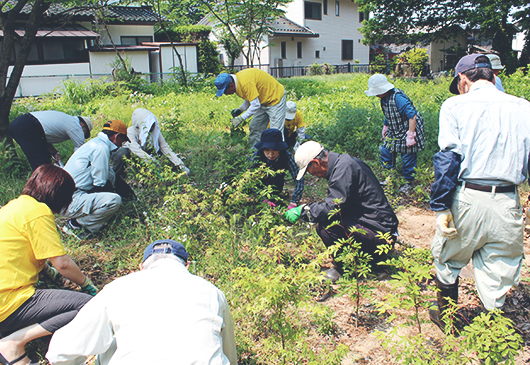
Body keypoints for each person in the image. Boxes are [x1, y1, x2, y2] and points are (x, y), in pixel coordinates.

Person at [429, 54, 530, 331]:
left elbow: (449, 158)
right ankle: (490, 331)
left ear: (463, 79)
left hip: (469, 196)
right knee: (499, 267)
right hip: (509, 200)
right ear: (493, 76)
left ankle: (448, 321)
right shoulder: (524, 107)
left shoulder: (454, 106)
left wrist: (440, 206)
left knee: (447, 257)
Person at [46, 239, 237, 365]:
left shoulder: (119, 287)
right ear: (187, 265)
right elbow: (229, 352)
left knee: (113, 340)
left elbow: (61, 351)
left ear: (141, 267)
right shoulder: (213, 292)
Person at [0, 165, 98, 365]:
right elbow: (62, 263)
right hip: (8, 300)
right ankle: (12, 344)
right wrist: (87, 285)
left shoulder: (12, 207)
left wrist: (56, 278)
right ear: (60, 195)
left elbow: (37, 259)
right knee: (88, 306)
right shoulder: (38, 211)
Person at [284, 141, 399, 281]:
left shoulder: (344, 170)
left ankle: (347, 269)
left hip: (380, 235)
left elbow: (332, 208)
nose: (312, 175)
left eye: (309, 170)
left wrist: (304, 211)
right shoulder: (344, 163)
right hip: (378, 227)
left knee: (327, 226)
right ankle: (362, 259)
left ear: (315, 163)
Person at [62, 120, 130, 240]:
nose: (120, 146)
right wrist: (120, 208)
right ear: (117, 137)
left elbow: (113, 177)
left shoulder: (95, 144)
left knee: (111, 175)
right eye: (122, 141)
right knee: (114, 201)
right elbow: (101, 185)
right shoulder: (101, 148)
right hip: (71, 199)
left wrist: (132, 197)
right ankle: (77, 225)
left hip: (67, 194)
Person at [365, 74, 425, 187]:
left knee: (408, 157)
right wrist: (385, 126)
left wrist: (411, 135)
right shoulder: (383, 98)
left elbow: (412, 116)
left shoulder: (398, 98)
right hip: (395, 128)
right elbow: (389, 113)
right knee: (386, 151)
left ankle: (409, 182)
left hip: (409, 128)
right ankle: (390, 177)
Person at [215, 69, 287, 147]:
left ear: (231, 85)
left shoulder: (245, 83)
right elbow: (250, 97)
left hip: (275, 98)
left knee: (275, 133)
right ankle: (254, 154)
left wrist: (241, 118)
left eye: (225, 91)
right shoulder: (238, 82)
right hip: (262, 101)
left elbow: (255, 105)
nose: (226, 94)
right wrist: (241, 109)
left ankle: (279, 156)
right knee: (255, 127)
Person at [112, 108, 190, 176]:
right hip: (135, 158)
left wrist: (180, 164)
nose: (152, 127)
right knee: (122, 152)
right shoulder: (130, 132)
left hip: (148, 157)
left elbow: (165, 148)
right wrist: (152, 162)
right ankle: (118, 175)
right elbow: (136, 150)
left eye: (153, 124)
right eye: (150, 125)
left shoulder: (155, 133)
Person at [9, 111, 92, 171]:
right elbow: (81, 152)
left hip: (21, 124)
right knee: (42, 165)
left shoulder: (67, 120)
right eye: (85, 134)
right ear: (83, 125)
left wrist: (54, 152)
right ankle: (42, 188)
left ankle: (41, 184)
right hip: (28, 126)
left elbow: (43, 133)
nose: (82, 136)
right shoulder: (76, 126)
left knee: (42, 161)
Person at [251, 128, 304, 209]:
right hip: (260, 189)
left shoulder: (286, 156)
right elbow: (250, 180)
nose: (271, 154)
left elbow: (298, 177)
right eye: (267, 150)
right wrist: (262, 198)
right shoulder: (257, 156)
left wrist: (294, 201)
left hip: (277, 188)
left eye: (275, 149)